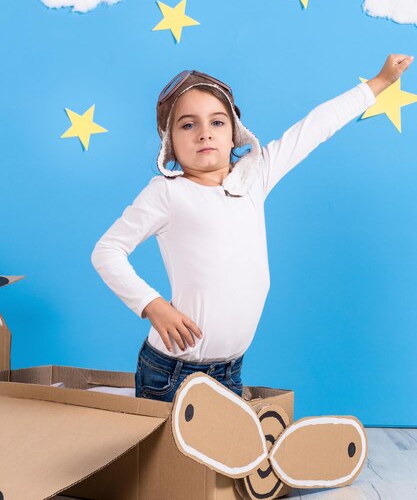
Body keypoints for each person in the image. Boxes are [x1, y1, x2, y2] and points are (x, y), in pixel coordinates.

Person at [91, 54, 414, 402]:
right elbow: (106, 251)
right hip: (173, 371)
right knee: (171, 457)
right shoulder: (167, 193)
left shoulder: (255, 176)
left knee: (222, 455)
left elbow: (315, 127)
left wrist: (379, 83)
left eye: (217, 123)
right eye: (188, 125)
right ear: (170, 142)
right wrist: (152, 304)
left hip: (230, 368)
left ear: (234, 134)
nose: (204, 134)